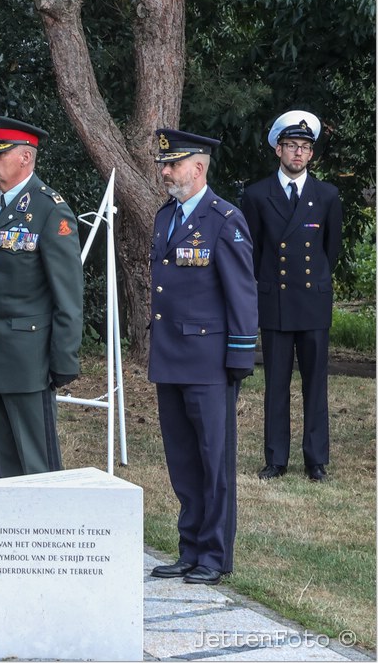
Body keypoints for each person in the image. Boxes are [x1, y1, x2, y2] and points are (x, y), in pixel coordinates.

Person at [146, 129, 257, 586]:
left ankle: (213, 554)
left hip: (208, 359)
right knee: (183, 461)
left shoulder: (224, 219)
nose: (166, 172)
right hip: (170, 355)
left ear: (199, 167)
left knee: (214, 461)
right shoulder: (165, 216)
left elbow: (242, 294)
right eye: (164, 165)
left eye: (174, 164)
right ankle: (189, 548)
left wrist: (240, 356)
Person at [0, 116, 84, 477]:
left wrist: (63, 358)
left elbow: (68, 294)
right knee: (6, 463)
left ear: (25, 158)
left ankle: (46, 532)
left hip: (29, 355)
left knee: (38, 465)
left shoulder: (50, 209)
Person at [239, 111, 343, 483]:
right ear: (277, 150)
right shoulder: (256, 195)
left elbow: (330, 250)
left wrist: (314, 282)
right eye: (291, 146)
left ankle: (316, 460)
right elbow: (252, 251)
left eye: (305, 148)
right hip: (277, 302)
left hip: (313, 300)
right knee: (276, 385)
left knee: (316, 384)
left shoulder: (327, 195)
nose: (298, 153)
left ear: (311, 155)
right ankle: (275, 459)